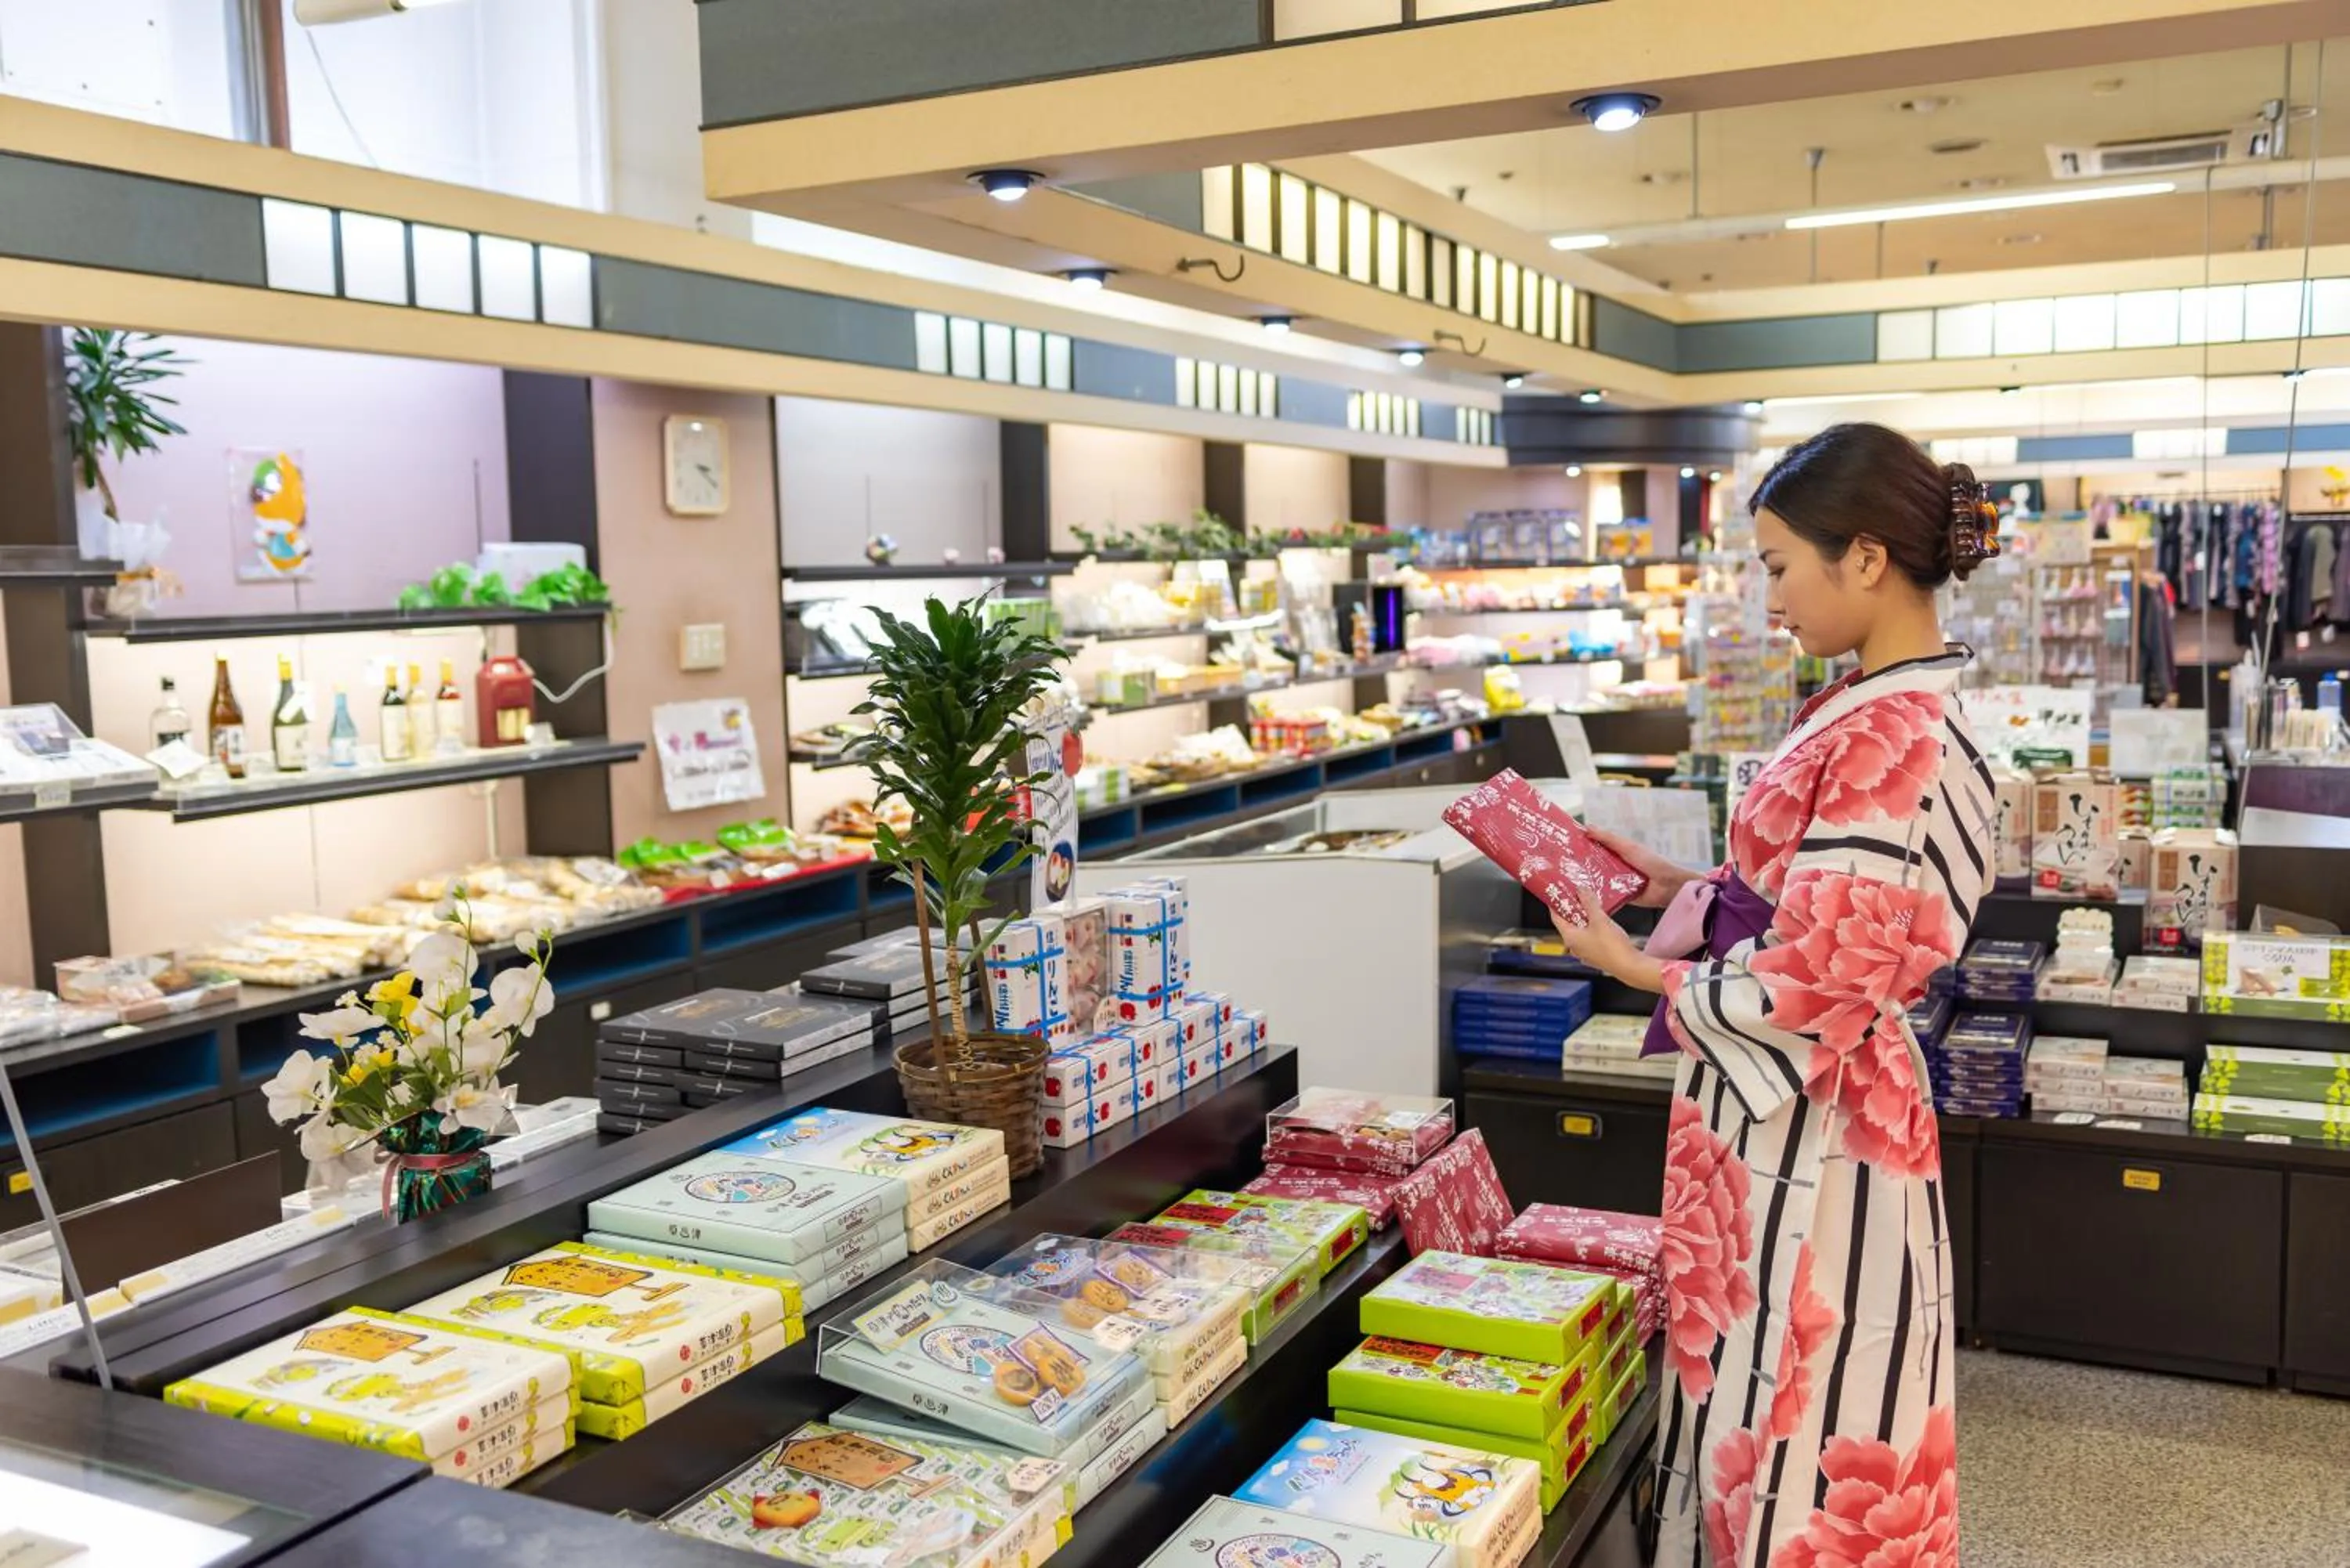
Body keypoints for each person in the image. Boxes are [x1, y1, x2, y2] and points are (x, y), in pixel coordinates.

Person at [1548, 423, 1996, 1568]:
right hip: (1788, 1106)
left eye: (1779, 566)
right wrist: (1669, 886)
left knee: (1807, 1409)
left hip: (1823, 1124)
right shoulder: (1869, 703)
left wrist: (1639, 967)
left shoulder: (1900, 730)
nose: (1772, 599)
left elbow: (1827, 973)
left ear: (1866, 559)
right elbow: (1793, 900)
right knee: (1759, 1391)